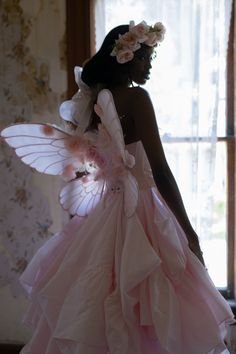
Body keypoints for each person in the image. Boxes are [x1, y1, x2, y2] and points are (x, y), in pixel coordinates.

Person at [1, 21, 235, 354]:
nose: (149, 67)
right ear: (125, 57)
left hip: (105, 214)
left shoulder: (96, 100)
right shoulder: (137, 97)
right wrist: (190, 232)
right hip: (141, 211)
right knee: (151, 300)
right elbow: (161, 172)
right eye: (145, 59)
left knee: (95, 301)